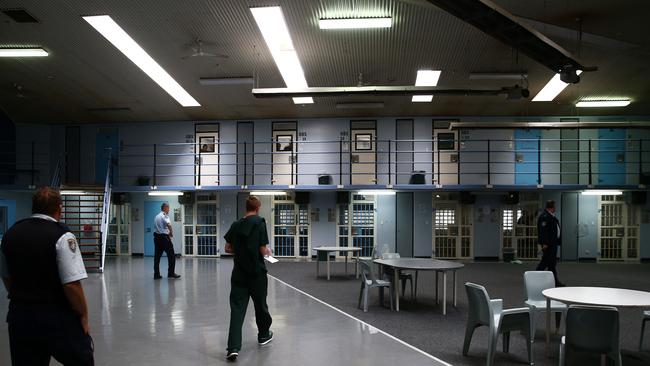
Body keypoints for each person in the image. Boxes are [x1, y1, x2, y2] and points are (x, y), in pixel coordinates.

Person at [0, 187, 94, 365]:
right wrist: (83, 316)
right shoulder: (62, 236)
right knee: (82, 359)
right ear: (60, 208)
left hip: (20, 317)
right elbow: (71, 285)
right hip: (55, 317)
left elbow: (6, 276)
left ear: (33, 207)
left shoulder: (10, 235)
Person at [224, 196, 273, 361]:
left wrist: (241, 250)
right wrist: (267, 252)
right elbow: (262, 249)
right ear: (258, 207)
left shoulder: (236, 225)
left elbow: (228, 248)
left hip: (239, 273)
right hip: (256, 274)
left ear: (246, 207)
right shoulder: (260, 223)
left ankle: (233, 348)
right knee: (261, 306)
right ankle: (264, 335)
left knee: (237, 310)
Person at [536, 200, 565, 287]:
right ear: (551, 207)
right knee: (546, 263)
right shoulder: (545, 216)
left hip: (553, 243)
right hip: (548, 245)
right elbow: (543, 231)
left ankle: (554, 282)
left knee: (551, 263)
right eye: (554, 206)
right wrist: (544, 243)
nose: (555, 208)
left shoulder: (551, 216)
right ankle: (534, 278)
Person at [154, 203, 180, 279]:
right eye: (168, 208)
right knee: (171, 255)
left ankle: (156, 274)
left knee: (157, 257)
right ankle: (171, 273)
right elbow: (168, 224)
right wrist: (171, 233)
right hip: (164, 238)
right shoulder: (164, 215)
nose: (169, 210)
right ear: (165, 208)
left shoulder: (157, 216)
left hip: (157, 237)